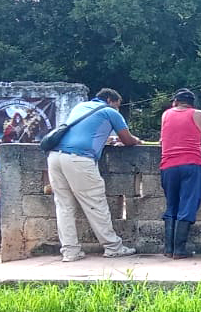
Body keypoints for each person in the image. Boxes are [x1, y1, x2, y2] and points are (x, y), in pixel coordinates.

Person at [46, 88, 142, 262]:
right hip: (79, 159)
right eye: (117, 105)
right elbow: (127, 140)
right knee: (95, 203)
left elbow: (88, 134)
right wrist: (136, 140)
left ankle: (70, 252)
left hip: (55, 156)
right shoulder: (109, 112)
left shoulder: (80, 107)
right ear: (110, 100)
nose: (118, 109)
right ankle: (113, 247)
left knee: (64, 206)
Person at [159, 88, 201, 259]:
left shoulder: (165, 115)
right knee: (187, 205)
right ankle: (179, 250)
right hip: (192, 164)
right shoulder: (199, 115)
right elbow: (200, 140)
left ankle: (168, 249)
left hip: (168, 165)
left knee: (171, 205)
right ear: (192, 104)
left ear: (175, 102)